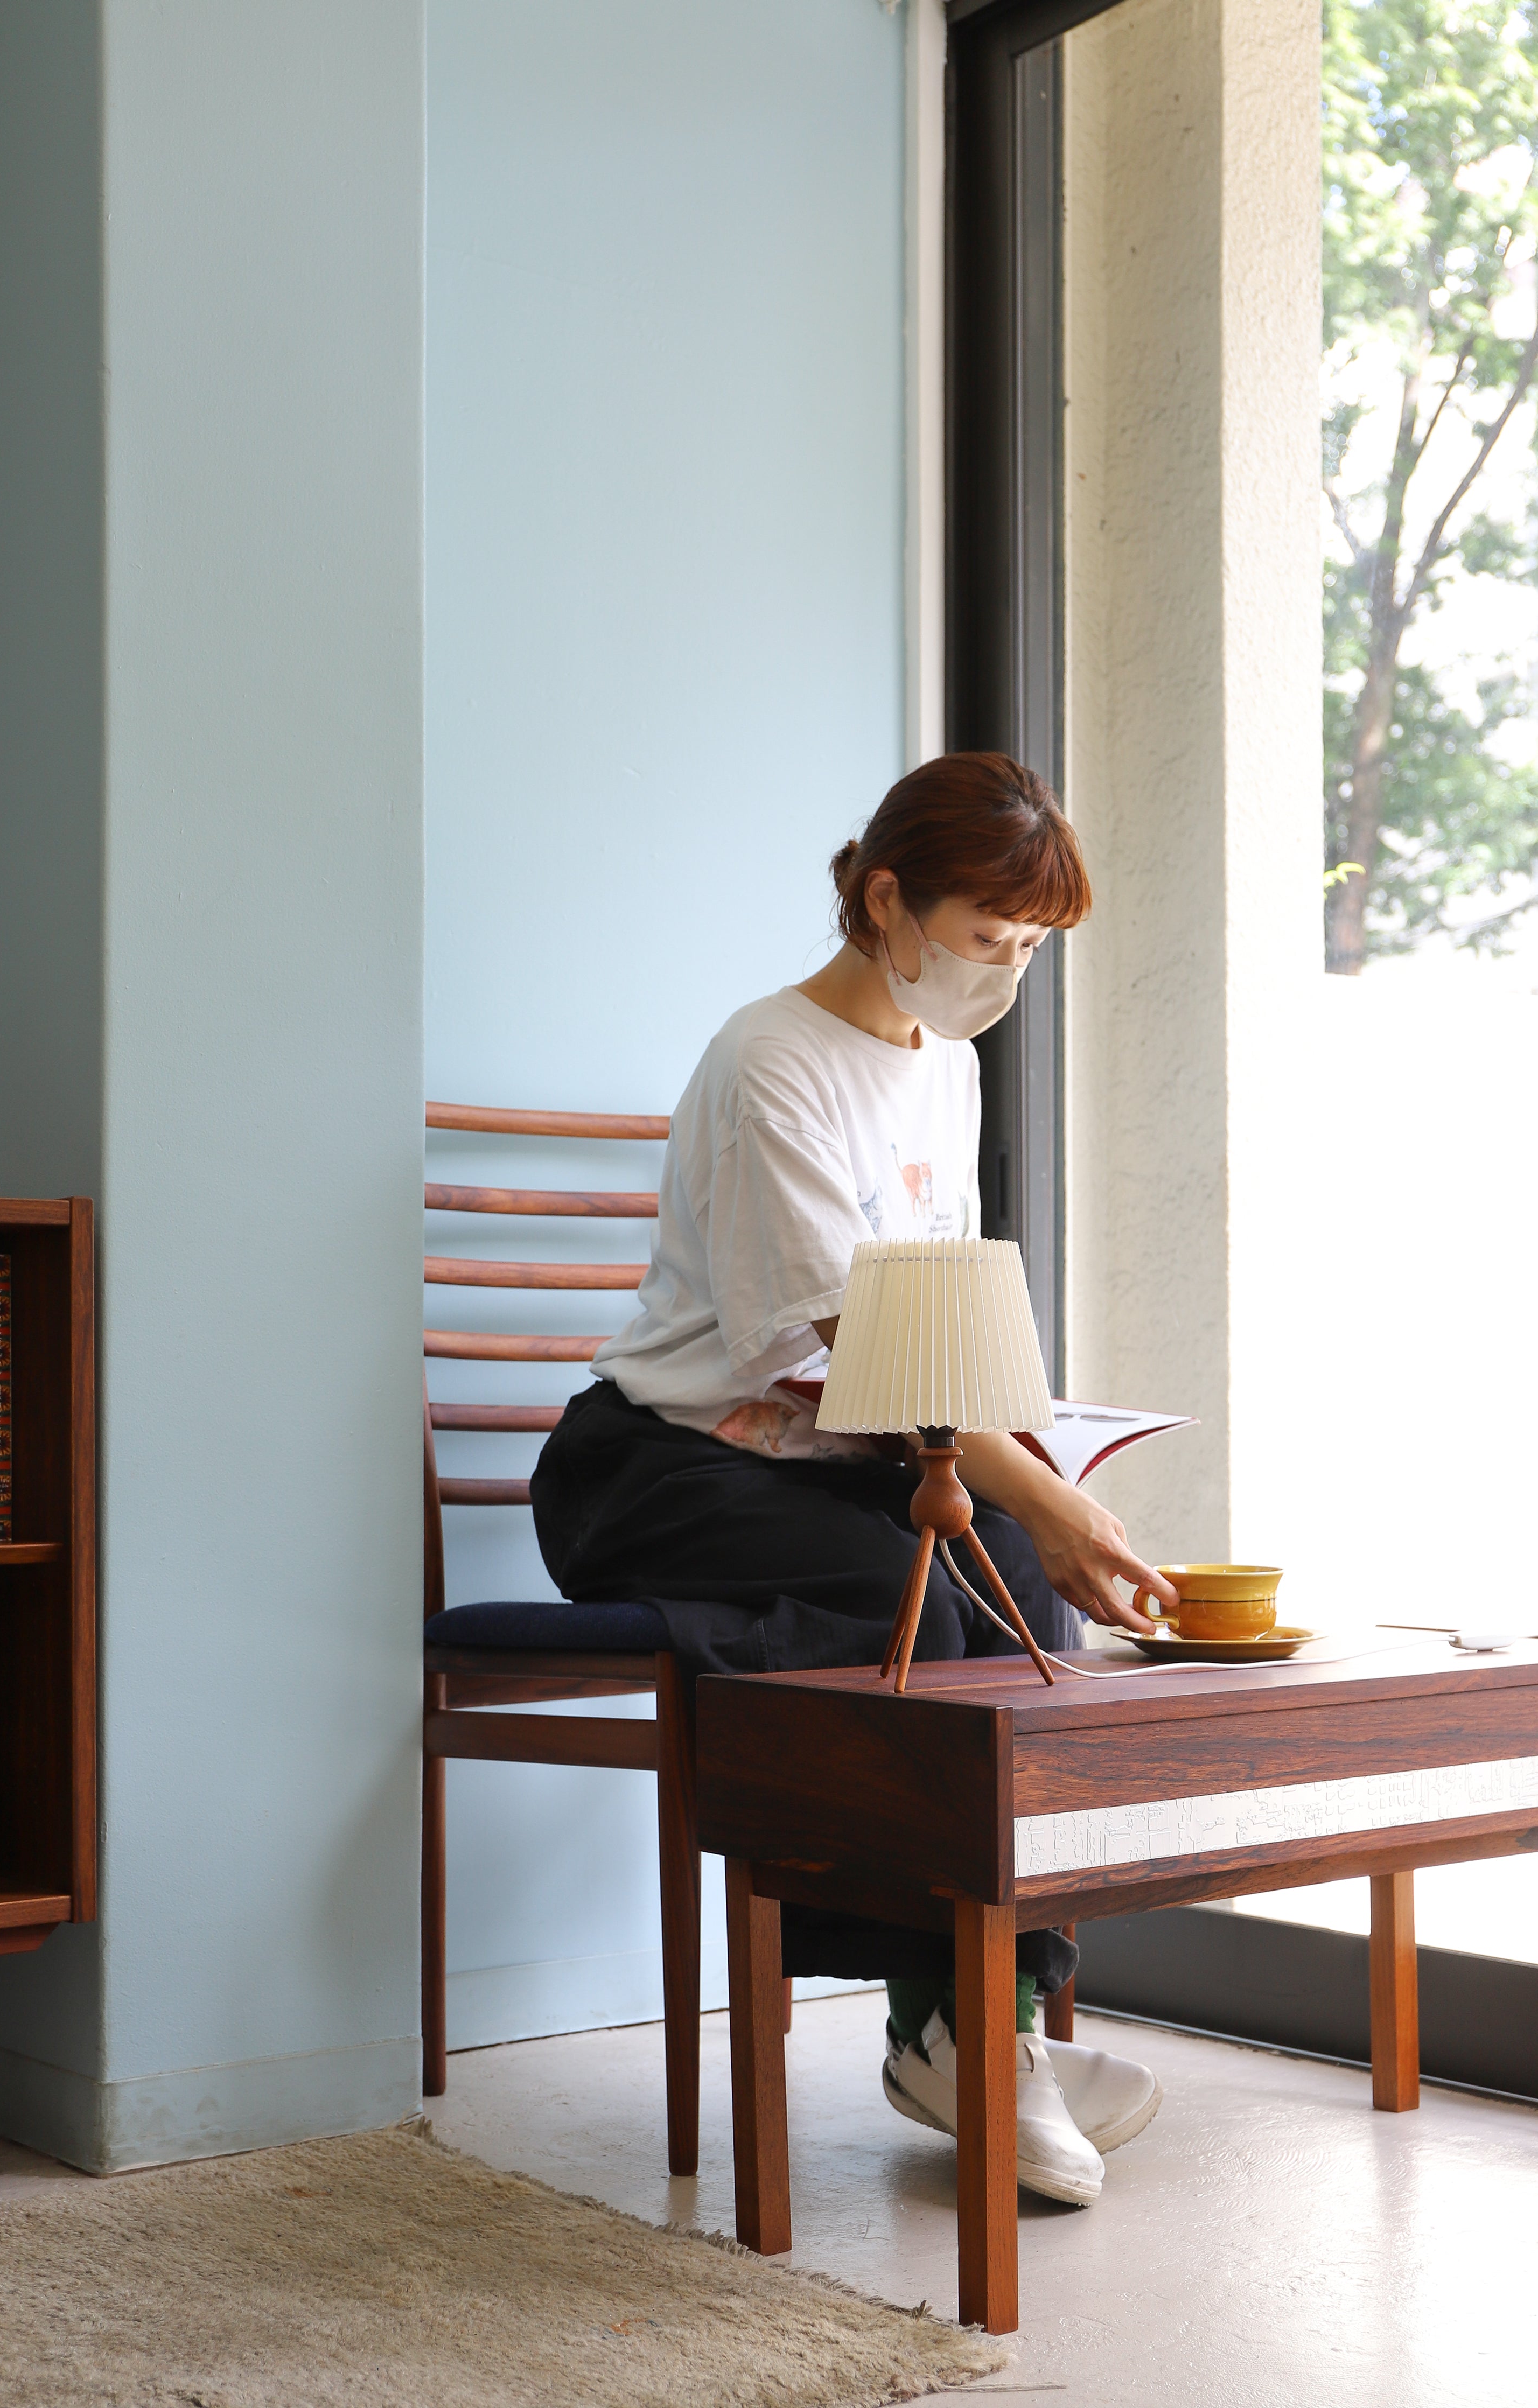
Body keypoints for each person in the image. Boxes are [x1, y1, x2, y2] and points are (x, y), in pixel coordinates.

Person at [532, 752, 1179, 2207]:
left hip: (849, 1457)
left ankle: (983, 2016)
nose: (1003, 976)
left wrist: (1045, 1484)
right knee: (911, 1598)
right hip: (662, 1463)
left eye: (1026, 953)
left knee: (1018, 1605)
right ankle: (951, 2026)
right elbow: (840, 1351)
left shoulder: (941, 1067)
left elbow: (931, 1333)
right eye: (984, 940)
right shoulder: (771, 1059)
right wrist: (1051, 1497)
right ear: (886, 899)